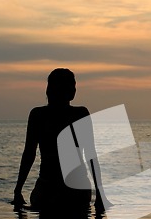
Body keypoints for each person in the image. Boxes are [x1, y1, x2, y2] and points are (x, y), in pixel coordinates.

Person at [12, 68, 106, 210]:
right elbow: (29, 154)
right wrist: (99, 194)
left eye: (74, 85)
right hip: (55, 188)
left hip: (65, 189)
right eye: (70, 85)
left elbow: (91, 155)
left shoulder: (42, 115)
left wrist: (18, 190)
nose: (74, 89)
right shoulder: (42, 115)